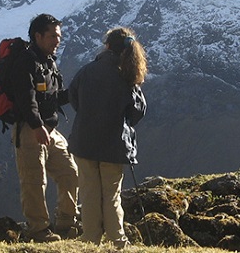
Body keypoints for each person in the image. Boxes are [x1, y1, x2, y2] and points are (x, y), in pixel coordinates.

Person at [68, 27, 148, 249]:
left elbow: (73, 97)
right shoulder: (127, 76)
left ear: (107, 46)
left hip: (84, 142)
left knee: (89, 192)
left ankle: (90, 239)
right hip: (113, 144)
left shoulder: (87, 70)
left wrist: (88, 116)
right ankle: (117, 241)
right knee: (111, 194)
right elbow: (137, 111)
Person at [9, 13, 79, 242]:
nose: (57, 40)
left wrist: (77, 93)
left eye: (58, 36)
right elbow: (25, 98)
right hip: (30, 129)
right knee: (34, 181)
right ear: (37, 36)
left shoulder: (49, 62)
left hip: (49, 129)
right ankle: (38, 230)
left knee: (70, 172)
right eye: (52, 36)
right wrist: (37, 125)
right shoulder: (26, 62)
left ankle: (67, 223)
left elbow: (53, 97)